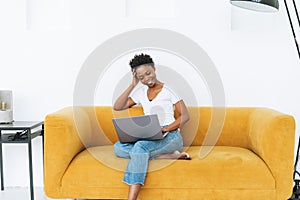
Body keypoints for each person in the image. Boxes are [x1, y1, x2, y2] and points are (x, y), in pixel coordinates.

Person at [113, 53, 191, 200]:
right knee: (118, 147)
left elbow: (185, 116)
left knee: (140, 148)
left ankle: (131, 199)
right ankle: (167, 156)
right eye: (141, 77)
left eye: (148, 73)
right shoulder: (141, 92)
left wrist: (165, 129)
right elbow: (118, 107)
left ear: (154, 68)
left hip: (171, 135)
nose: (147, 79)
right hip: (150, 135)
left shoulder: (169, 90)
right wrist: (132, 85)